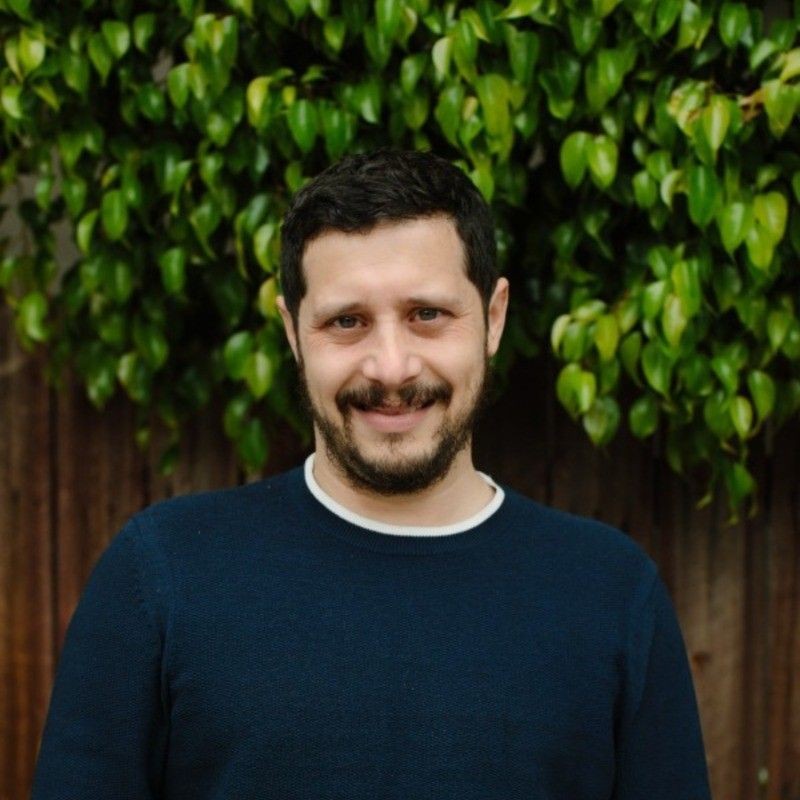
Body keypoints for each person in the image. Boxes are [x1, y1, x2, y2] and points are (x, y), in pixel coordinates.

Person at [31, 149, 712, 800]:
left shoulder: (611, 595)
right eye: (347, 322)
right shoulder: (163, 577)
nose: (391, 367)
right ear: (293, 334)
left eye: (427, 315)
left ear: (494, 318)